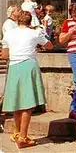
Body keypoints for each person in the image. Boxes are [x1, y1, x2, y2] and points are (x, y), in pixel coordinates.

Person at [1, 11, 53, 149]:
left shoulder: (9, 34)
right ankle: (23, 137)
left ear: (17, 20)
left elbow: (5, 55)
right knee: (28, 103)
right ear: (30, 21)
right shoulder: (34, 33)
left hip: (14, 66)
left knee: (17, 101)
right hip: (29, 65)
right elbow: (49, 46)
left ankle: (18, 132)